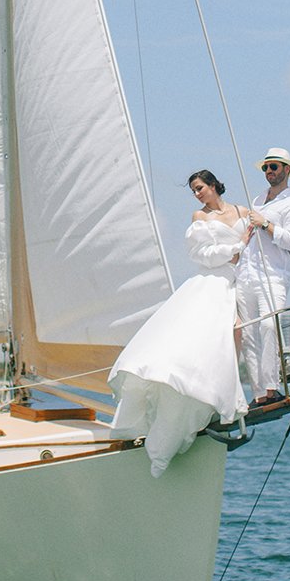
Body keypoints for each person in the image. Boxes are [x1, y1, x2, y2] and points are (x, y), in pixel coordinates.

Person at [109, 170, 248, 477]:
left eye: (200, 188)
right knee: (214, 334)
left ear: (213, 185)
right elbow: (200, 254)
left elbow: (263, 229)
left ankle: (227, 389)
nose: (197, 194)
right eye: (194, 190)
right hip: (213, 280)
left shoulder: (241, 211)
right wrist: (235, 250)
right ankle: (210, 394)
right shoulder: (199, 216)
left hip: (239, 282)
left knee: (235, 332)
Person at [236, 147, 290, 408]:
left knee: (269, 326)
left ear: (286, 170)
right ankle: (259, 395)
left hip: (273, 275)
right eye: (266, 167)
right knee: (248, 335)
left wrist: (264, 223)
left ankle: (272, 387)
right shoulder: (258, 199)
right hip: (246, 273)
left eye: (274, 167)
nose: (269, 172)